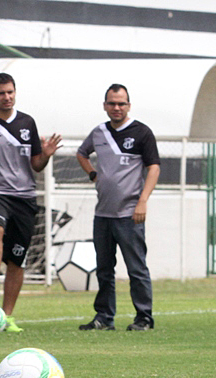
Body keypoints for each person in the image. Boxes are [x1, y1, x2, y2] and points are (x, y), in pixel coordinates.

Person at [0, 72, 62, 333]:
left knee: (18, 260)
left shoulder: (27, 122)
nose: (6, 97)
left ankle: (6, 317)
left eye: (10, 92)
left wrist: (46, 155)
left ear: (15, 92)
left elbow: (36, 165)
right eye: (1, 93)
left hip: (25, 197)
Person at [76, 83, 161, 331]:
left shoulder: (142, 132)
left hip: (129, 214)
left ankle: (144, 317)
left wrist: (142, 201)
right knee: (104, 269)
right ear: (105, 105)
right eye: (112, 103)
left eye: (121, 103)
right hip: (102, 213)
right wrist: (93, 174)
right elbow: (81, 154)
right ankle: (104, 317)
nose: (117, 107)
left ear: (129, 105)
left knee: (136, 268)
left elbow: (154, 168)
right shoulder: (99, 132)